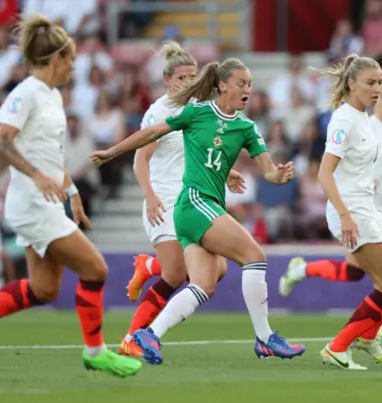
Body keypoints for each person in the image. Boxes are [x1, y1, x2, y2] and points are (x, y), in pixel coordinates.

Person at [0, 14, 142, 377]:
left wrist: (71, 190)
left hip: (47, 202)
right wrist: (35, 176)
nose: (74, 65)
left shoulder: (51, 96)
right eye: (71, 58)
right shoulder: (26, 92)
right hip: (31, 205)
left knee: (45, 289)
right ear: (55, 59)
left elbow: (50, 154)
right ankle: (95, 351)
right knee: (95, 268)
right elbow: (0, 143)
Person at [91, 58, 306, 365]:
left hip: (204, 208)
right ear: (223, 86)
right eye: (241, 83)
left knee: (204, 283)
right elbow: (150, 134)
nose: (247, 90)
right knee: (255, 256)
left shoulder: (246, 128)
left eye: (250, 85)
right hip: (193, 202)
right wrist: (113, 151)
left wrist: (278, 175)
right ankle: (265, 338)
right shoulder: (197, 113)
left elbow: (268, 171)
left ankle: (149, 333)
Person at [119, 41, 246, 356]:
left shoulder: (201, 110)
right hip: (165, 198)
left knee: (216, 272)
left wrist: (227, 172)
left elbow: (204, 152)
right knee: (176, 274)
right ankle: (132, 338)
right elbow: (140, 159)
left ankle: (149, 266)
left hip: (195, 198)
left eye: (192, 77)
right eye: (181, 78)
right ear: (167, 80)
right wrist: (148, 195)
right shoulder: (158, 112)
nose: (188, 83)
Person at [307, 54, 382, 370]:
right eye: (371, 83)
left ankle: (368, 335)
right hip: (352, 211)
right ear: (351, 84)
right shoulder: (344, 120)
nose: (378, 89)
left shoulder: (363, 118)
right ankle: (338, 347)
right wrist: (345, 215)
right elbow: (324, 173)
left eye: (380, 82)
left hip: (370, 207)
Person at [278, 81, 382, 338]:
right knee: (366, 272)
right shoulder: (364, 125)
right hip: (362, 207)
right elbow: (339, 164)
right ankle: (378, 325)